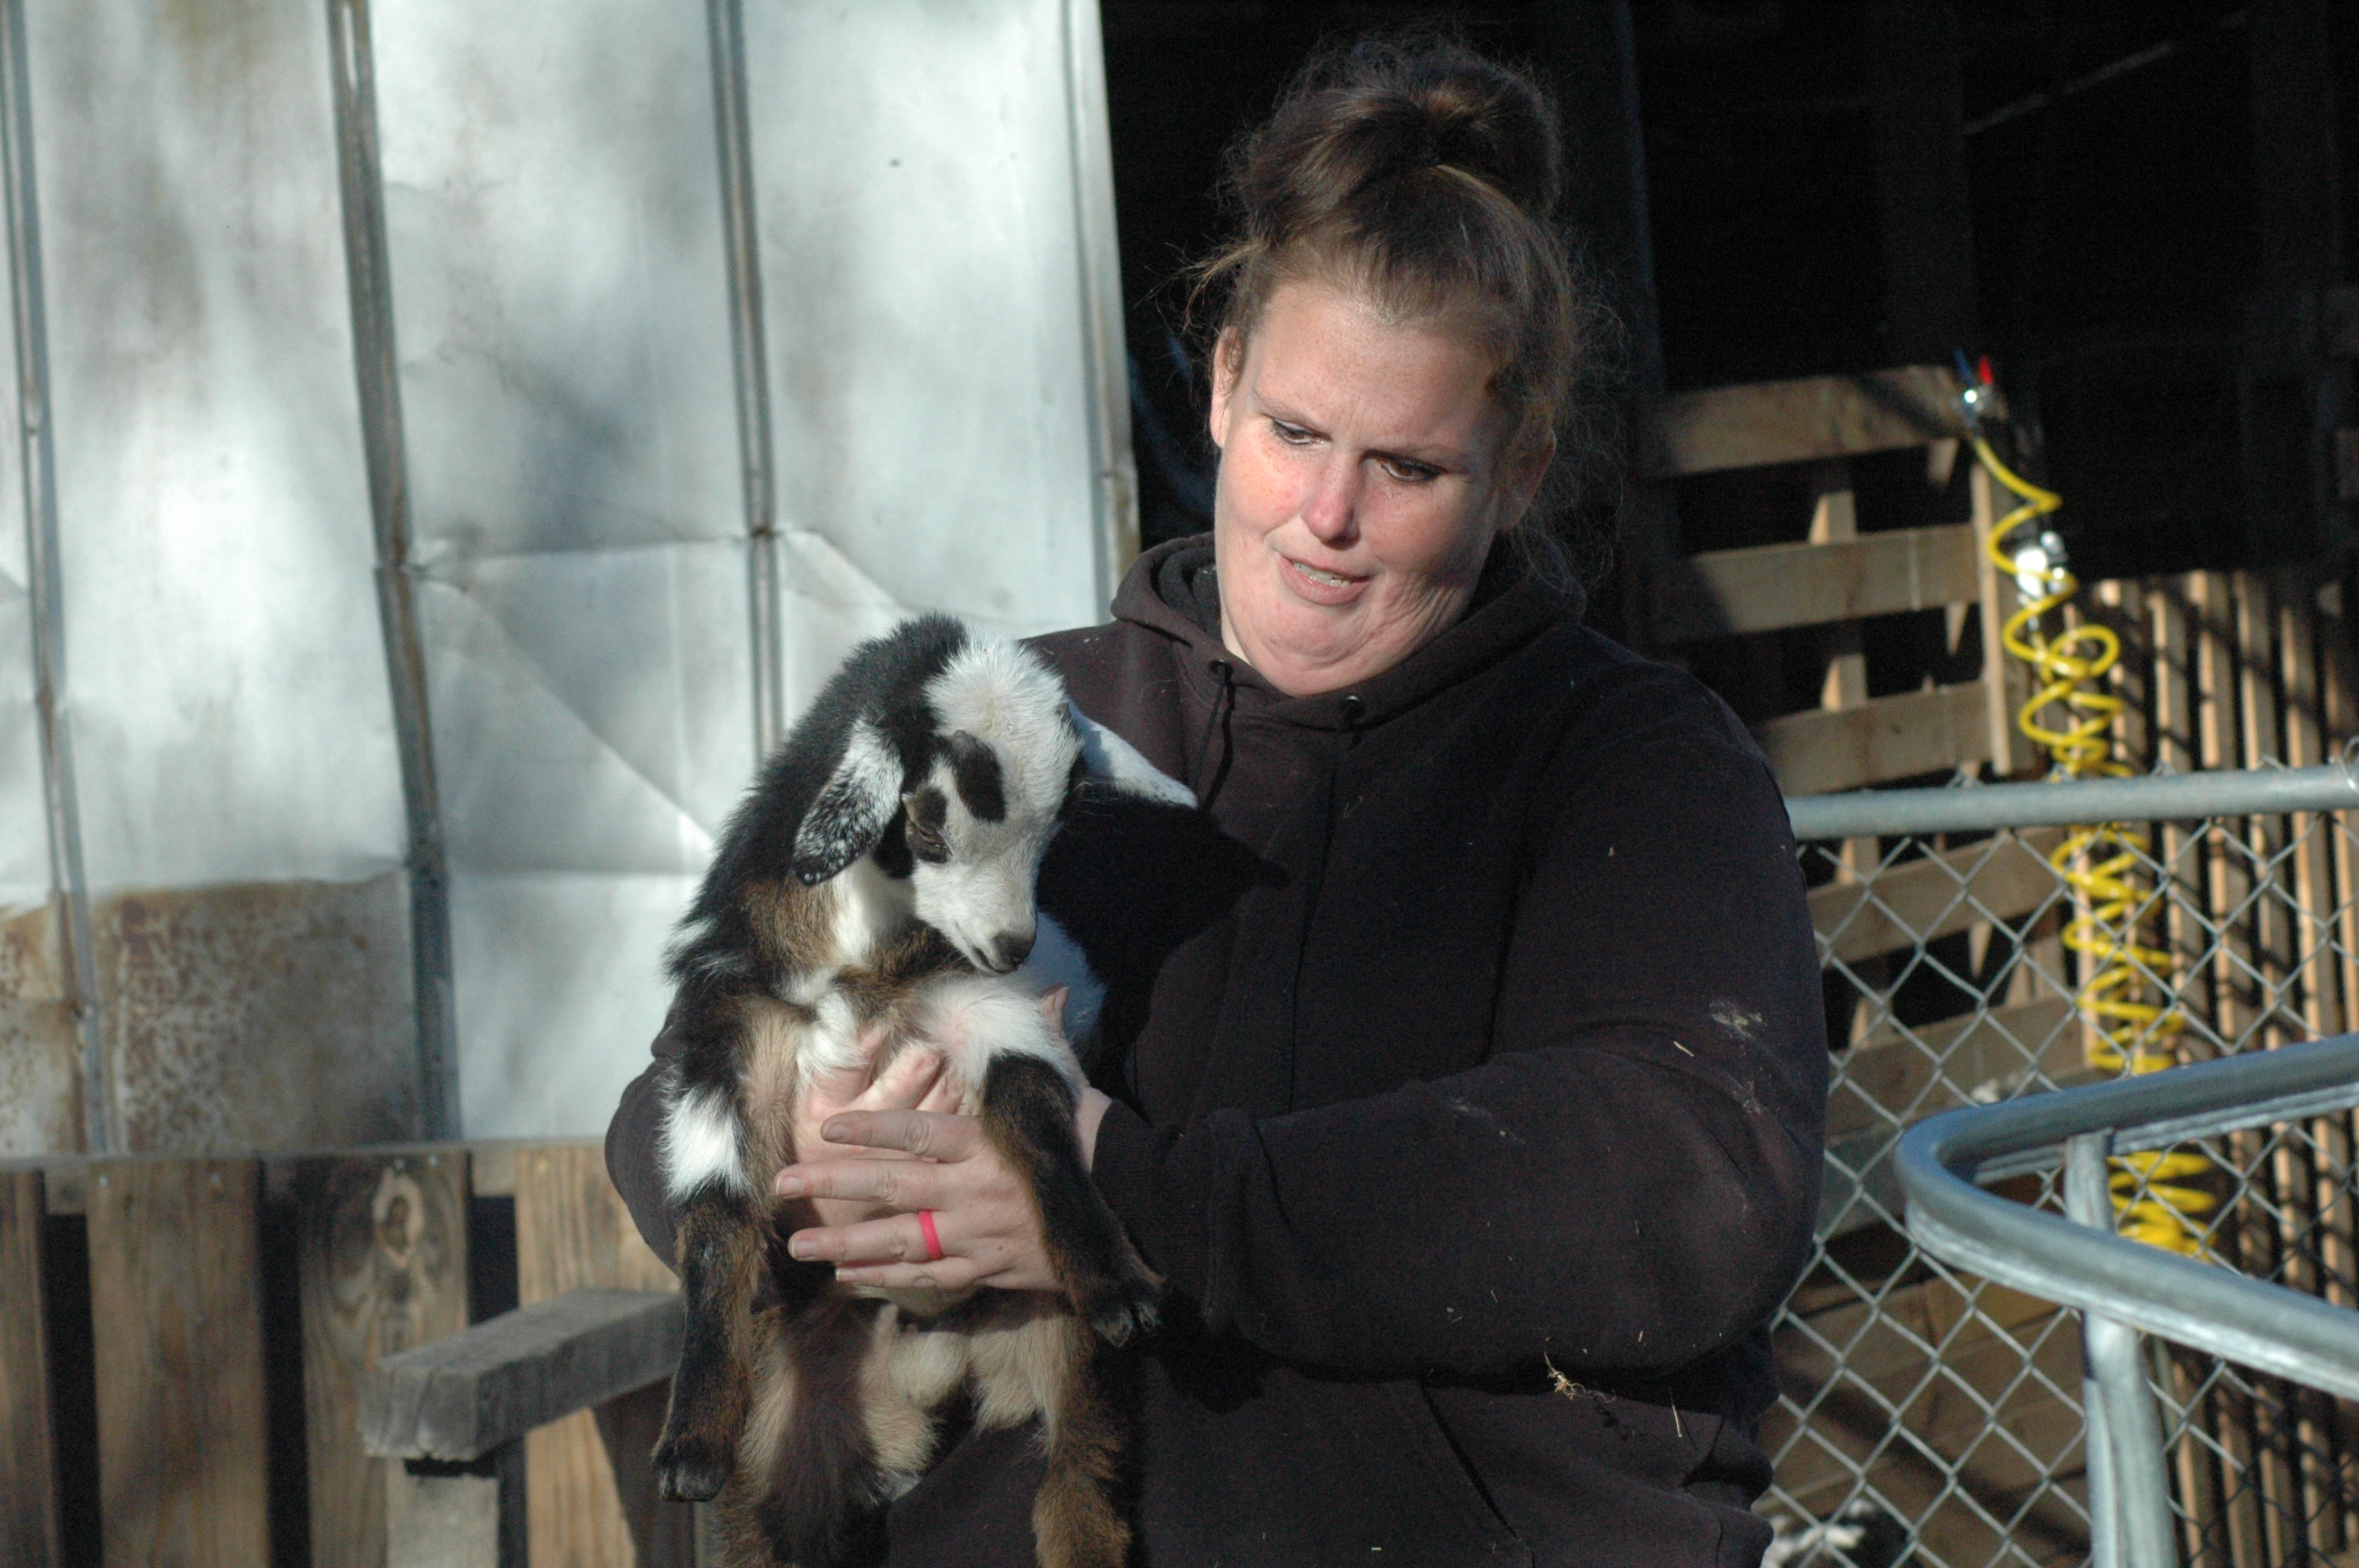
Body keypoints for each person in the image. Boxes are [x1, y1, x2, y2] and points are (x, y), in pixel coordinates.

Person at [609, 34, 1826, 1566]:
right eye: (1298, 434)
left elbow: (1689, 1181)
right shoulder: (970, 714)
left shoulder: (1628, 764)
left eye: (1405, 467)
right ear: (1224, 382)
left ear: (1516, 470)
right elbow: (658, 1106)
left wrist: (1121, 1193)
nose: (1327, 516)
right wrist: (821, 1132)